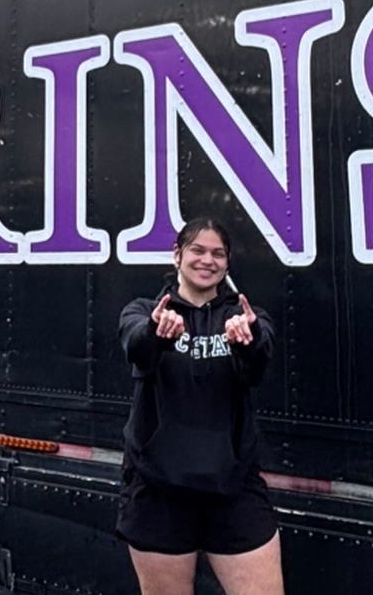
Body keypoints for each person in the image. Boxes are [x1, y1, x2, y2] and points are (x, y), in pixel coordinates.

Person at [117, 218, 282, 595]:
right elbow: (137, 347)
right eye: (197, 250)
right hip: (158, 489)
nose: (208, 260)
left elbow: (257, 364)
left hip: (233, 487)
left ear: (227, 263)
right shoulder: (142, 311)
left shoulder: (244, 317)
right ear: (177, 255)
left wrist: (248, 340)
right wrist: (157, 332)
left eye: (218, 254)